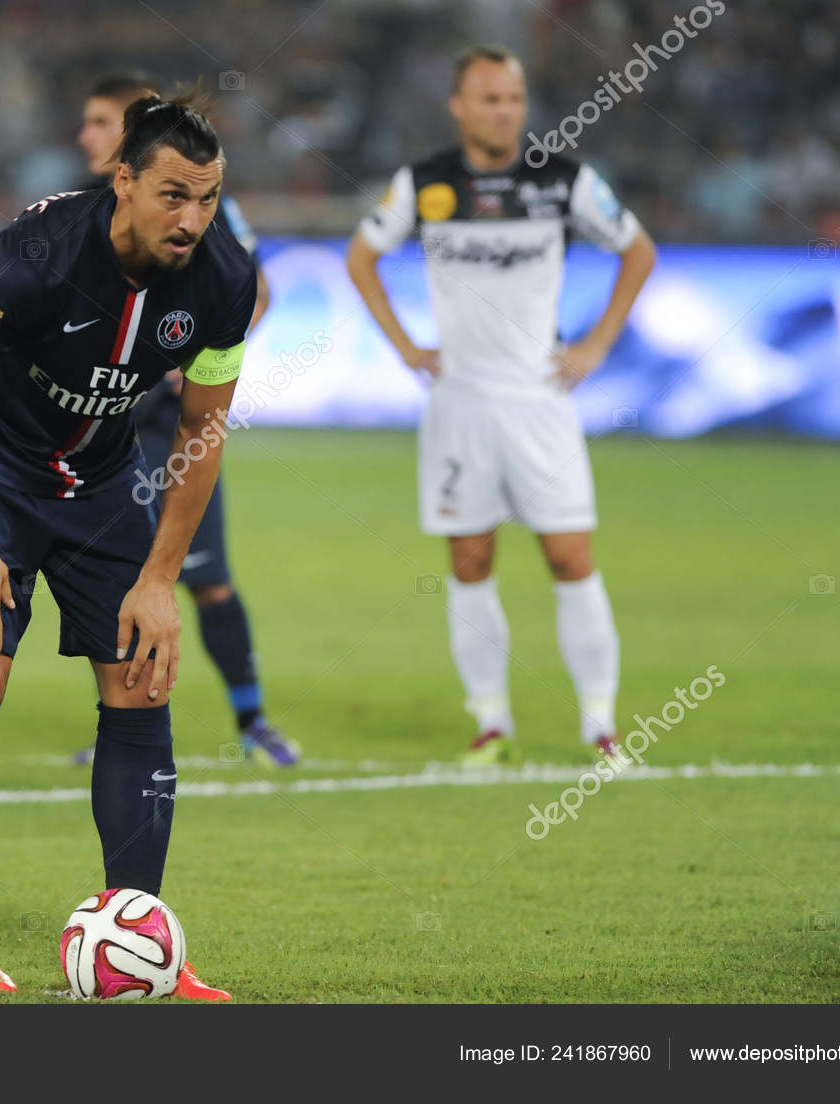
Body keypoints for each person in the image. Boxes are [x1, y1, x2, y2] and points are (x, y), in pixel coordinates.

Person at [0, 95, 251, 998]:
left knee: (140, 673)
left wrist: (160, 579)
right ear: (121, 178)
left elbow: (202, 431)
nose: (192, 219)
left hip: (99, 480)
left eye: (207, 198)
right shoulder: (36, 258)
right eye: (173, 195)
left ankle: (139, 941)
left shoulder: (223, 280)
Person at [346, 45, 656, 765]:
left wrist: (597, 345)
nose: (503, 110)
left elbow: (638, 252)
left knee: (571, 556)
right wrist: (406, 347)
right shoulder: (424, 185)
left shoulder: (566, 183)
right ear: (458, 106)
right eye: (488, 99)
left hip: (540, 401)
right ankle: (490, 722)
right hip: (459, 405)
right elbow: (361, 257)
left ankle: (601, 725)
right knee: (470, 559)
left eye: (512, 98)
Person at [70, 74, 297, 767]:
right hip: (107, 426)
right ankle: (124, 723)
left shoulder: (194, 210)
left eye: (102, 121)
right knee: (117, 578)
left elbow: (256, 288)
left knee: (204, 574)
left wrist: (189, 358)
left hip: (172, 424)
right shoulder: (80, 218)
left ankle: (252, 718)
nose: (89, 135)